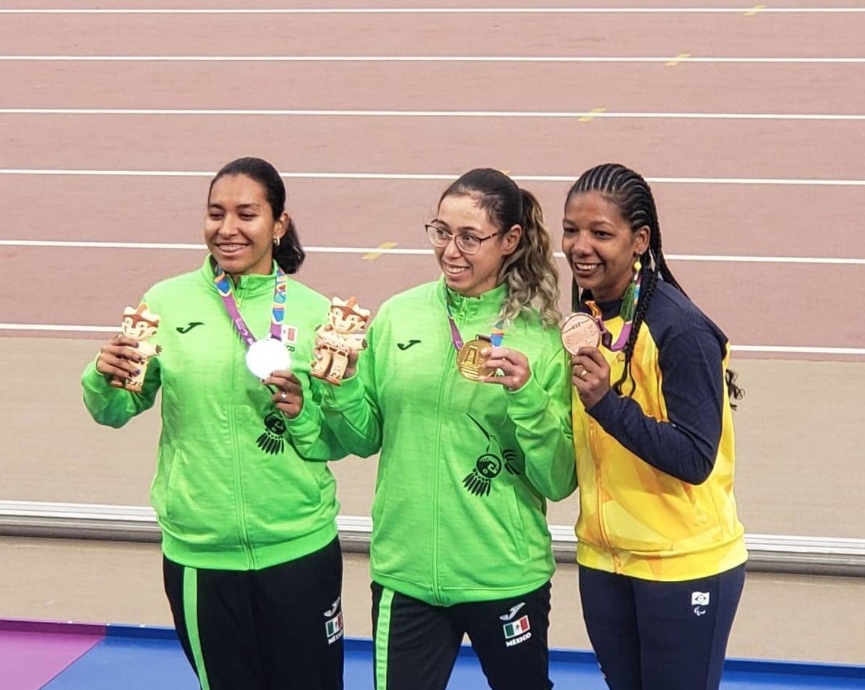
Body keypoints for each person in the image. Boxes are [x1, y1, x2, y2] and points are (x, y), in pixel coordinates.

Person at [81, 157, 346, 690]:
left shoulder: (318, 314)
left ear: (279, 224)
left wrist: (304, 413)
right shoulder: (165, 302)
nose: (227, 229)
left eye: (246, 214)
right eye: (215, 213)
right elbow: (113, 411)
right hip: (200, 554)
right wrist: (101, 377)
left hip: (298, 549)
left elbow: (347, 439)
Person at [317, 168, 577, 690]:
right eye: (441, 232)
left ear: (510, 240)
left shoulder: (543, 339)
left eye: (469, 237)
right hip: (406, 574)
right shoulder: (399, 316)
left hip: (503, 574)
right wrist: (342, 383)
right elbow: (363, 438)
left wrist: (526, 393)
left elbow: (557, 479)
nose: (451, 251)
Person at [562, 162, 747, 690]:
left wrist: (606, 405)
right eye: (571, 230)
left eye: (601, 233)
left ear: (640, 240)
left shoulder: (681, 330)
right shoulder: (590, 318)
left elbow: (694, 458)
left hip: (683, 565)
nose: (580, 246)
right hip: (606, 562)